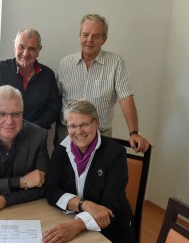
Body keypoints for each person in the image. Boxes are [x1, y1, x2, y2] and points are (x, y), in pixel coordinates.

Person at [56, 13, 151, 153]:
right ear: (80, 36)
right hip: (66, 134)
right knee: (64, 174)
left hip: (100, 136)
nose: (89, 40)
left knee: (97, 174)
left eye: (96, 36)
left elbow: (126, 98)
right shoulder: (65, 64)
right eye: (85, 34)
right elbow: (56, 99)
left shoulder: (116, 63)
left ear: (104, 39)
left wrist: (134, 133)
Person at [44, 100, 134, 243]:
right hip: (70, 217)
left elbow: (110, 206)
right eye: (72, 126)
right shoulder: (61, 150)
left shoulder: (115, 154)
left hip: (110, 228)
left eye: (85, 124)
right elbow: (51, 190)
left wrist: (76, 226)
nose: (79, 131)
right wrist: (84, 204)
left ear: (96, 123)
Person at [0, 28, 61, 130]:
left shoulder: (48, 75)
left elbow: (54, 107)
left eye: (31, 48)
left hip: (36, 140)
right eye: (21, 47)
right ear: (15, 47)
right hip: (1, 140)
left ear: (39, 50)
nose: (25, 53)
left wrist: (34, 129)